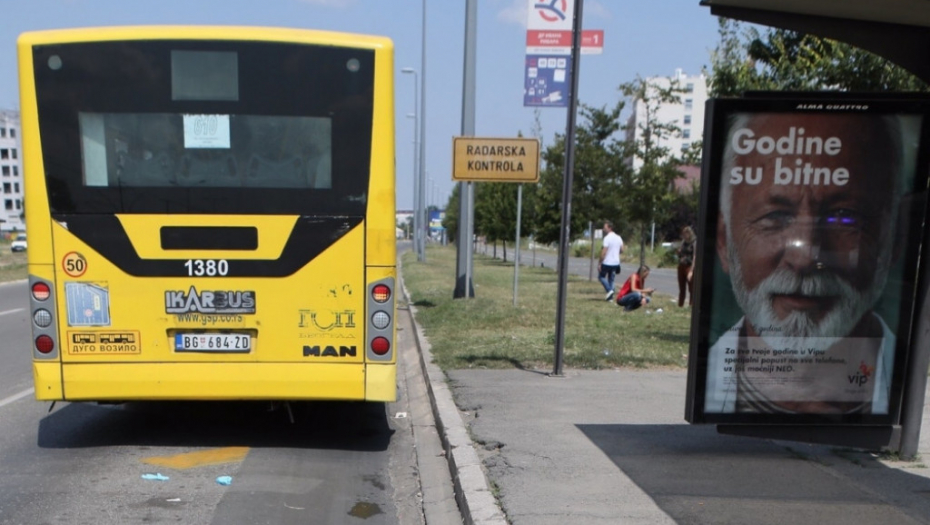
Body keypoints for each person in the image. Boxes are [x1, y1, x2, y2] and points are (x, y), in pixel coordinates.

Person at [705, 112, 908, 416]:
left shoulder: (905, 394)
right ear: (724, 240)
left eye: (844, 216)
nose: (804, 259)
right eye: (775, 216)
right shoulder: (709, 384)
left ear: (894, 239)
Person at [597, 221, 624, 301]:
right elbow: (622, 250)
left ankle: (609, 290)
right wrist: (615, 252)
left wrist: (600, 262)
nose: (603, 229)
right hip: (615, 262)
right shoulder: (618, 237)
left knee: (601, 277)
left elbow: (604, 252)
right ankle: (610, 298)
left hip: (607, 262)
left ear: (610, 228)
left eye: (605, 228)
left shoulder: (607, 238)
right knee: (611, 279)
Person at [677, 226, 696, 307]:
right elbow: (680, 253)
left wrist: (691, 271)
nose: (684, 236)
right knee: (682, 287)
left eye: (685, 234)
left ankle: (691, 305)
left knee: (691, 288)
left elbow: (695, 256)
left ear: (689, 233)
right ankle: (680, 304)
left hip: (689, 265)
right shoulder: (683, 242)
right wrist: (679, 252)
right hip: (681, 264)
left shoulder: (694, 243)